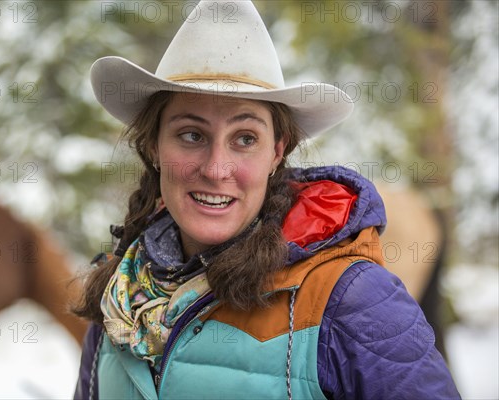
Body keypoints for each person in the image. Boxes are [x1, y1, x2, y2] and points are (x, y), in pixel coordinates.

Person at [73, 1, 460, 399]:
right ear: (154, 145)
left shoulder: (350, 300)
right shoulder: (117, 300)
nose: (216, 168)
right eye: (191, 134)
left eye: (245, 139)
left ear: (277, 152)